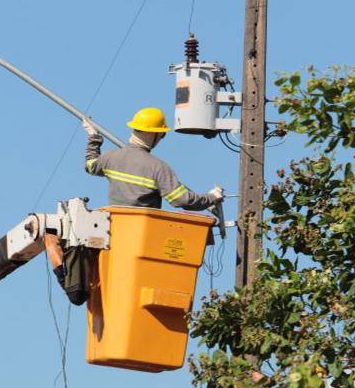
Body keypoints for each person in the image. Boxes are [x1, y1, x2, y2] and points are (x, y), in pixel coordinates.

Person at [45, 107, 224, 305]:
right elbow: (182, 200)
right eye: (161, 136)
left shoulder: (111, 158)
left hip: (111, 236)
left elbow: (90, 165)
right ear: (153, 135)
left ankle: (70, 282)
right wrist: (211, 197)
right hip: (143, 241)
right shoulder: (157, 168)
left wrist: (94, 138)